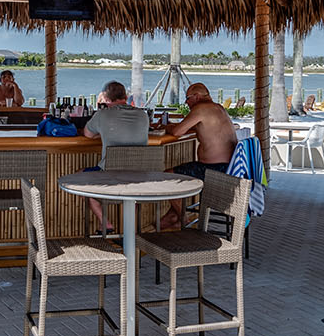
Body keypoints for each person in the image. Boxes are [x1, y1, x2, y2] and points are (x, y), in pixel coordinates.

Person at [158, 82, 237, 228]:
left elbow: (177, 132)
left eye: (188, 98)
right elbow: (193, 127)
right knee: (181, 173)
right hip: (229, 169)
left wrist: (164, 126)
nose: (186, 102)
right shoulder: (218, 108)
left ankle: (183, 220)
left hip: (214, 171)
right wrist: (171, 125)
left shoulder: (201, 108)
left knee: (167, 176)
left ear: (197, 96)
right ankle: (173, 216)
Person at [81, 80, 148, 232]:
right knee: (131, 192)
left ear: (105, 98)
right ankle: (129, 231)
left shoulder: (103, 114)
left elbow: (88, 135)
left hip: (111, 176)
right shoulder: (142, 115)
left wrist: (103, 131)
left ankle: (105, 222)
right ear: (126, 96)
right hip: (140, 177)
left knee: (80, 179)